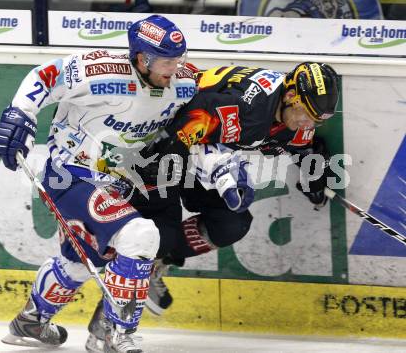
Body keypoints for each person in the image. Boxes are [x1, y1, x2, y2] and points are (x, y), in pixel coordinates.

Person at [84, 61, 340, 351]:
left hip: (200, 156)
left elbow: (300, 143)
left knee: (233, 223)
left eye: (316, 120)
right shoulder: (247, 106)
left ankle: (158, 263)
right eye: (307, 115)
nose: (309, 123)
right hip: (165, 148)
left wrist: (315, 173)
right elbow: (183, 131)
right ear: (291, 96)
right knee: (157, 236)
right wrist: (190, 169)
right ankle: (107, 322)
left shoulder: (290, 110)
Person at [0, 14, 196, 353]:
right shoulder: (101, 71)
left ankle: (31, 320)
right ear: (141, 57)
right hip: (70, 174)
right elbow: (46, 74)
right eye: (164, 61)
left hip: (118, 183)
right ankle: (113, 334)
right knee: (140, 234)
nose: (173, 68)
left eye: (178, 59)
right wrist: (20, 113)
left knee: (80, 260)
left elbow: (214, 101)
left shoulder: (184, 82)